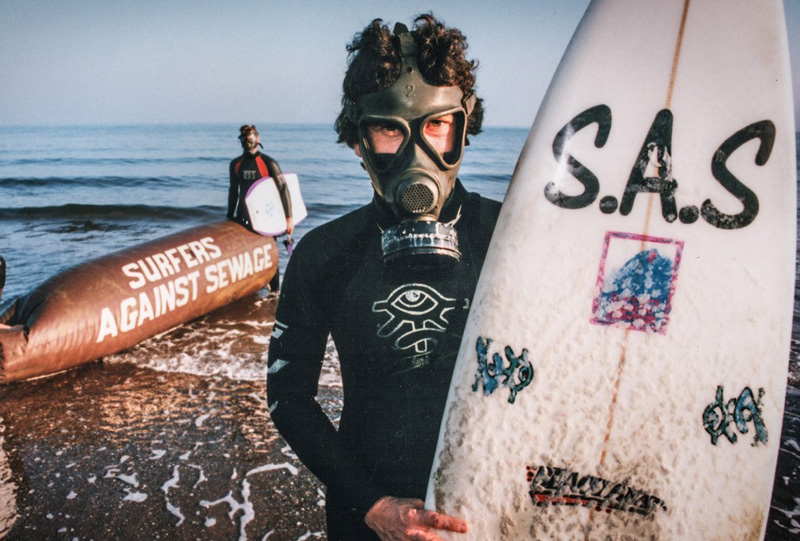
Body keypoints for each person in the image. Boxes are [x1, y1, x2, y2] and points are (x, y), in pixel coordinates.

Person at [267, 14, 500, 540]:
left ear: (463, 128)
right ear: (359, 140)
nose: (418, 153)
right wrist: (372, 505)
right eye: (390, 129)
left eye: (437, 125)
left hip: (484, 510)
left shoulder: (508, 238)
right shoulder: (324, 255)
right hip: (364, 517)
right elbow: (287, 394)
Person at [228, 124, 293, 292]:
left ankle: (274, 293)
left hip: (266, 218)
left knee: (269, 254)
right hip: (243, 217)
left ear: (258, 138)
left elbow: (283, 188)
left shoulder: (267, 163)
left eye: (250, 138)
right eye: (243, 139)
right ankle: (251, 289)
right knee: (246, 254)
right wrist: (229, 216)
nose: (246, 141)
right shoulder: (236, 164)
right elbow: (233, 191)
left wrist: (288, 218)